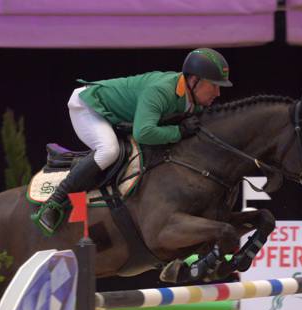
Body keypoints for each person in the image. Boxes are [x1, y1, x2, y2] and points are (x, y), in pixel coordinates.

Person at [35, 48, 232, 235]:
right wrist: (178, 131)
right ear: (194, 80)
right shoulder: (161, 91)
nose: (218, 93)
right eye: (214, 85)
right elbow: (143, 133)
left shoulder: (191, 100)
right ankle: (53, 203)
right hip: (88, 107)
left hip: (116, 116)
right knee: (109, 151)